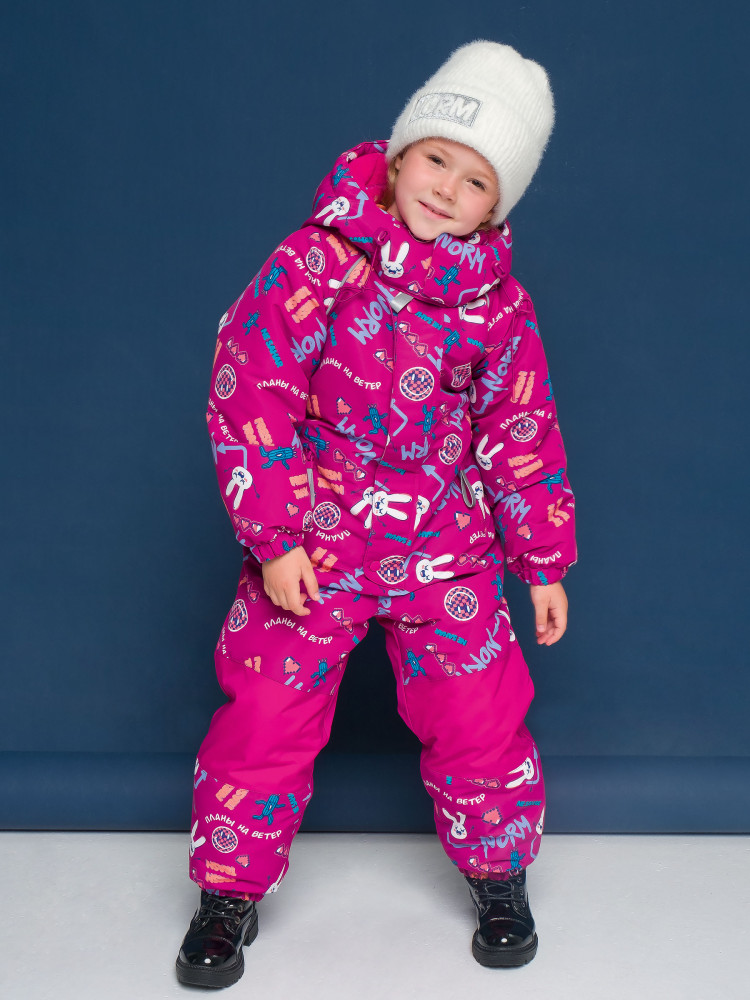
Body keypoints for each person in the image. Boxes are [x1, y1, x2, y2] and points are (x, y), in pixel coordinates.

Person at [176, 39, 576, 988]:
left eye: (477, 182)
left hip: (444, 546)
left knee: (480, 712)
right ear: (399, 158)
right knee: (265, 712)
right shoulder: (317, 261)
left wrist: (542, 559)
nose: (447, 189)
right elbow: (251, 387)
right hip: (317, 541)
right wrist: (276, 537)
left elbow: (520, 425)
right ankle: (228, 890)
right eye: (436, 158)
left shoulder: (498, 306)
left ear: (497, 207)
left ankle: (498, 872)